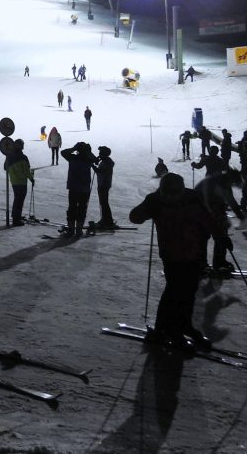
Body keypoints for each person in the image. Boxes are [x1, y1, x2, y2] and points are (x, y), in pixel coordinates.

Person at [129, 174, 231, 350]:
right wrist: (148, 207)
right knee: (175, 290)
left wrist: (220, 236)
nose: (172, 196)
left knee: (189, 290)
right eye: (168, 192)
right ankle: (165, 329)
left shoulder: (191, 199)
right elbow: (134, 217)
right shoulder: (156, 201)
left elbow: (207, 218)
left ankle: (183, 325)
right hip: (171, 253)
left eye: (175, 192)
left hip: (192, 251)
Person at [61, 142, 97, 236]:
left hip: (73, 187)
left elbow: (63, 152)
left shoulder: (73, 158)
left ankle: (71, 229)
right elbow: (95, 159)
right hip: (84, 188)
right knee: (82, 209)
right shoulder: (88, 159)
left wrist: (73, 148)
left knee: (72, 208)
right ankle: (79, 230)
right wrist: (89, 151)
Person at [4, 139, 34, 225]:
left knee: (17, 199)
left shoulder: (9, 156)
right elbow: (26, 171)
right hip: (21, 182)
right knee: (19, 200)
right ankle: (16, 220)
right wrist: (31, 179)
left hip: (14, 182)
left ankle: (16, 217)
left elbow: (5, 168)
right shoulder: (23, 157)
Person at [93, 146, 116, 228]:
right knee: (103, 203)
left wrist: (92, 165)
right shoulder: (105, 161)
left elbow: (100, 171)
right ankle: (105, 219)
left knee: (104, 203)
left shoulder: (107, 162)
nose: (99, 154)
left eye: (100, 153)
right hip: (103, 184)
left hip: (104, 184)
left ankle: (107, 220)